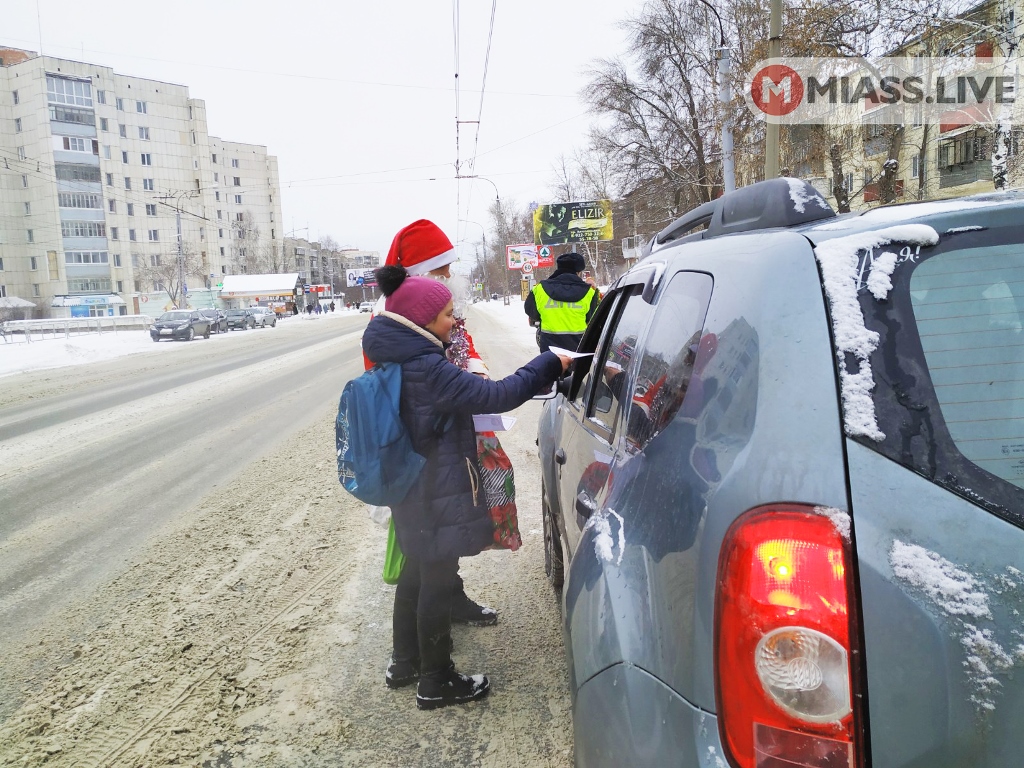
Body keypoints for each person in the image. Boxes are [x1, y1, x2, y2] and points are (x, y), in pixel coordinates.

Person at [363, 265, 570, 709]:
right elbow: (497, 395)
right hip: (436, 489)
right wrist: (548, 362)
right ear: (420, 323)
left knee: (417, 574)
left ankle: (405, 664)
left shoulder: (398, 359)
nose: (455, 321)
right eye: (446, 315)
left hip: (412, 489)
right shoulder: (427, 368)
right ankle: (437, 681)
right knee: (436, 581)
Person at [366, 219, 495, 627]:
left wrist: (475, 370)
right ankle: (425, 651)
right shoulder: (396, 324)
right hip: (423, 450)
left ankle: (444, 608)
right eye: (442, 271)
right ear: (419, 276)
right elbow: (399, 391)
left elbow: (463, 351)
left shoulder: (436, 318)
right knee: (428, 546)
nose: (449, 277)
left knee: (446, 534)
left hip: (447, 439)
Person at [524, 252, 600, 352]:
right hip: (579, 352)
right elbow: (595, 319)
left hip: (549, 353)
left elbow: (531, 312)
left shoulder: (539, 289)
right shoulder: (589, 292)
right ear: (578, 272)